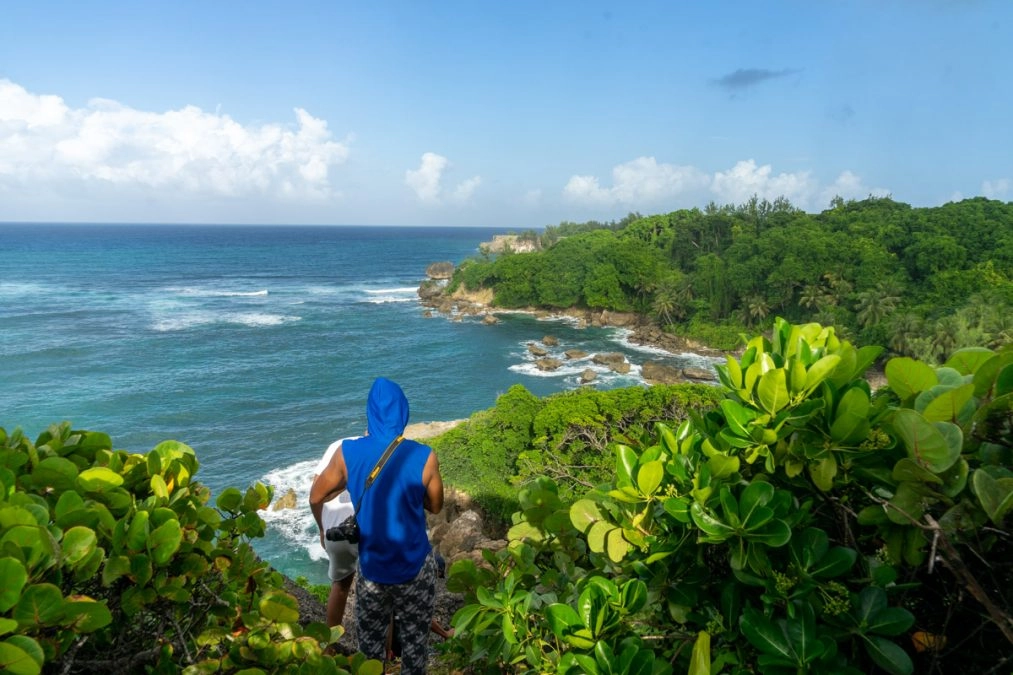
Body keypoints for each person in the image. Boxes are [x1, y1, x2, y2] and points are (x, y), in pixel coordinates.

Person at [310, 377, 444, 675]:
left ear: (370, 413)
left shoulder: (347, 451)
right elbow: (435, 506)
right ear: (403, 412)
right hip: (414, 567)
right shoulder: (424, 455)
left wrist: (322, 528)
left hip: (372, 569)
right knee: (415, 646)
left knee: (369, 650)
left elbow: (317, 495)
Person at [310, 435, 361, 628]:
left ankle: (330, 645)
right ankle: (386, 652)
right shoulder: (382, 450)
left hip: (336, 529)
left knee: (340, 587)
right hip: (370, 526)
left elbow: (315, 493)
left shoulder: (338, 446)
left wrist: (322, 528)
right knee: (382, 585)